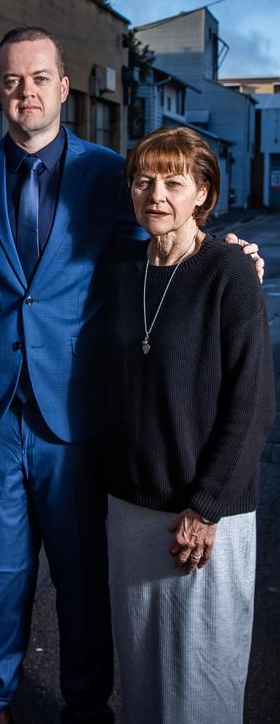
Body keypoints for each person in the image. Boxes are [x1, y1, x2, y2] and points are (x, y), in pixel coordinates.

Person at [0, 26, 265, 724]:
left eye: (40, 78)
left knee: (83, 581)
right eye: (14, 80)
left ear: (63, 87)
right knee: (1, 576)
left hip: (76, 416)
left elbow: (165, 239)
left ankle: (85, 708)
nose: (27, 92)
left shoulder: (110, 172)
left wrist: (230, 253)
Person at [104, 126, 275, 724]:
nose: (156, 194)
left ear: (203, 192)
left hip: (205, 510)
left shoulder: (228, 270)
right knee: (144, 670)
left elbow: (250, 403)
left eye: (175, 182)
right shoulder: (124, 271)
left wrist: (206, 508)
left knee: (202, 676)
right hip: (131, 508)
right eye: (144, 181)